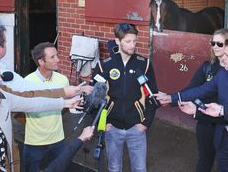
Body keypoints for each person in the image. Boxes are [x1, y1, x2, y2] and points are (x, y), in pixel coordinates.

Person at [92, 23, 158, 172]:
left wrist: (145, 123)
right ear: (117, 41)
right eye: (128, 41)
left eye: (135, 41)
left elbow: (153, 96)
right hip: (112, 127)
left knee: (140, 168)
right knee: (114, 168)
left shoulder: (144, 64)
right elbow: (95, 98)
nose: (132, 45)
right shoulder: (104, 66)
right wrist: (104, 124)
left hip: (137, 127)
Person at [156, 41, 228, 171]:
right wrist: (171, 98)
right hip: (223, 138)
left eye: (227, 55)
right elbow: (200, 90)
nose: (223, 58)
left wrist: (223, 110)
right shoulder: (223, 74)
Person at [0, 63, 83, 172]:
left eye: (0, 75)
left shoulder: (3, 96)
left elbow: (32, 102)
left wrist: (65, 103)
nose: (0, 79)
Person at [180, 29, 228, 172]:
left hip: (223, 124)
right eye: (213, 42)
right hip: (206, 123)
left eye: (219, 43)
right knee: (204, 161)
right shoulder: (207, 66)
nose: (215, 46)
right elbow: (192, 89)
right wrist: (171, 98)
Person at [22, 42, 73, 172]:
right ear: (41, 61)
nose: (58, 59)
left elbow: (67, 104)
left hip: (58, 140)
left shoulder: (63, 80)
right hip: (34, 142)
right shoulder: (27, 82)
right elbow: (19, 111)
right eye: (53, 57)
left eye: (57, 55)